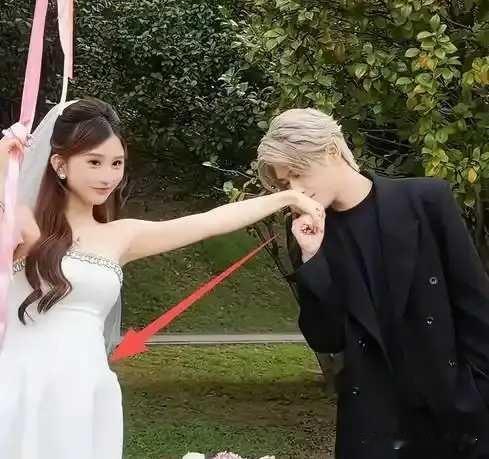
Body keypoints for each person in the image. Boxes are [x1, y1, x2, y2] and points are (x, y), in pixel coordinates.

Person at [0, 98, 325, 459]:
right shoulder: (23, 225)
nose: (107, 176)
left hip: (86, 388)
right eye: (94, 162)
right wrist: (3, 168)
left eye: (116, 163)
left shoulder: (122, 236)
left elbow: (209, 222)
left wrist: (285, 197)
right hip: (24, 382)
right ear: (59, 164)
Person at [257, 107, 489, 459]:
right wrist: (311, 257)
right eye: (285, 184)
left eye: (298, 174)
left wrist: (477, 395)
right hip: (373, 425)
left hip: (455, 414)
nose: (295, 191)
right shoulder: (308, 236)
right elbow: (326, 339)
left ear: (331, 150)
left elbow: (476, 307)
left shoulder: (426, 201)